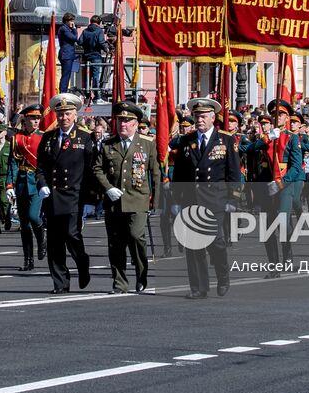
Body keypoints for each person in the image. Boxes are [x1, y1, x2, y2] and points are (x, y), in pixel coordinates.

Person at [170, 97, 240, 298]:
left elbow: (233, 173)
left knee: (216, 243)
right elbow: (180, 174)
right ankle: (199, 287)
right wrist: (176, 199)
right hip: (192, 199)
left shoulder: (226, 139)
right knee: (194, 245)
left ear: (212, 118)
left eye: (203, 116)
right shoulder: (186, 140)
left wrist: (233, 199)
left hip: (215, 199)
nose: (199, 120)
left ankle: (223, 274)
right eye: (196, 116)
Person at [93, 100, 160, 294]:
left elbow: (155, 172)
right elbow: (97, 168)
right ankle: (120, 283)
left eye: (127, 120)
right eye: (120, 120)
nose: (122, 123)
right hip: (114, 201)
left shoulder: (147, 144)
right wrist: (107, 188)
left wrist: (156, 200)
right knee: (116, 243)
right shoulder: (108, 144)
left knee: (136, 236)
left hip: (138, 198)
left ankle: (141, 273)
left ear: (136, 123)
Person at [36, 92, 95, 294]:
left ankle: (82, 262)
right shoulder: (48, 137)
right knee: (54, 241)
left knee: (72, 235)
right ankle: (60, 282)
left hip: (74, 196)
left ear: (75, 115)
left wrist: (90, 199)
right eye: (60, 114)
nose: (64, 118)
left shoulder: (85, 137)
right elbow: (41, 166)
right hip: (52, 196)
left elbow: (90, 170)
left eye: (68, 114)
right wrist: (41, 184)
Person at [242, 99, 304, 273]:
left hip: (284, 184)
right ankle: (274, 264)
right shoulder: (266, 137)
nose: (278, 117)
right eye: (275, 114)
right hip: (266, 184)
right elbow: (249, 149)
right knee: (268, 225)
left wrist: (282, 183)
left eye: (282, 114)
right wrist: (269, 137)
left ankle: (287, 252)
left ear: (287, 117)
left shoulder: (292, 138)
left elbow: (296, 166)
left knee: (282, 222)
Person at [7, 105, 46, 271]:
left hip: (37, 182)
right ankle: (28, 260)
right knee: (24, 224)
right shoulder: (17, 138)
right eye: (32, 118)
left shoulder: (43, 137)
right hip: (22, 181)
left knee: (33, 216)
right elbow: (12, 162)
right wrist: (10, 184)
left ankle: (42, 238)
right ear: (25, 120)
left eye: (37, 118)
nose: (35, 121)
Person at [78, 17, 108, 94]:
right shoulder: (99, 31)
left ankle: (87, 95)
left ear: (91, 22)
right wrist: (107, 50)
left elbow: (80, 42)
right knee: (95, 76)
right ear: (99, 23)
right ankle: (96, 96)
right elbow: (101, 42)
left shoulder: (85, 31)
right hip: (96, 56)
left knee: (87, 76)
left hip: (86, 56)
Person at [57, 12, 82, 94]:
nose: (72, 23)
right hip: (66, 54)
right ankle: (63, 92)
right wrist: (74, 29)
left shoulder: (66, 29)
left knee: (66, 75)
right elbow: (74, 38)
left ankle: (63, 91)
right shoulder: (64, 29)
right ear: (66, 21)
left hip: (68, 54)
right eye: (71, 21)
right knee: (66, 75)